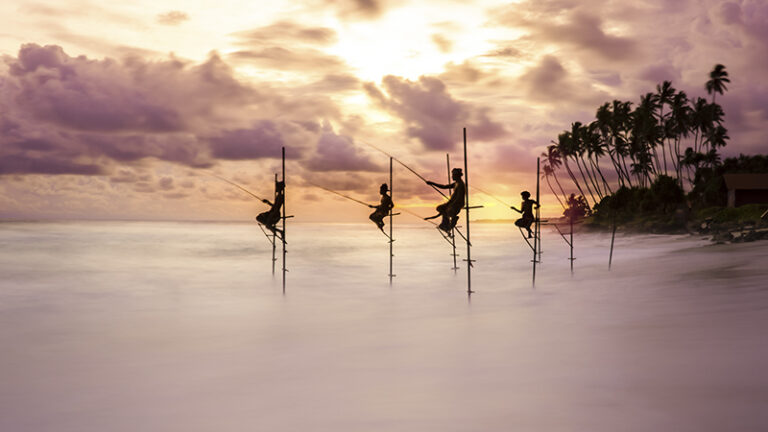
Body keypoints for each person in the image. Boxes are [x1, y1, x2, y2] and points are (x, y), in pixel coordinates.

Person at [425, 168, 465, 235]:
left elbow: (459, 198)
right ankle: (445, 225)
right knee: (440, 208)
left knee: (448, 211)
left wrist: (449, 205)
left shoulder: (461, 184)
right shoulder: (456, 183)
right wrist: (432, 183)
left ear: (457, 175)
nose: (452, 177)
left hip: (457, 204)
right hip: (451, 203)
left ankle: (451, 222)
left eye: (453, 175)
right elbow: (444, 186)